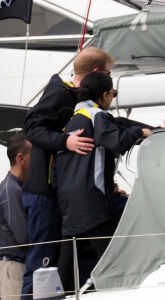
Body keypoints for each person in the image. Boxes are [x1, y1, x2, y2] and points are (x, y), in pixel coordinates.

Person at [21, 47, 109, 299]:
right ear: (96, 73)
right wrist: (65, 141)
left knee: (62, 263)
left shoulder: (79, 99)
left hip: (60, 194)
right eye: (108, 75)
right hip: (44, 192)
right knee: (42, 264)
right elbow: (31, 127)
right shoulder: (60, 94)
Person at [54, 71, 153, 294]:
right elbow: (115, 141)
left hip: (69, 204)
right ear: (105, 94)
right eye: (113, 94)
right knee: (116, 263)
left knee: (66, 272)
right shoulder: (96, 115)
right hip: (92, 202)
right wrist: (141, 132)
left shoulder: (70, 121)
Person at [0, 133, 32, 300]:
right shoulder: (12, 190)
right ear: (21, 158)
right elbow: (24, 236)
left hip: (10, 268)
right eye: (34, 154)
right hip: (13, 270)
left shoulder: (13, 187)